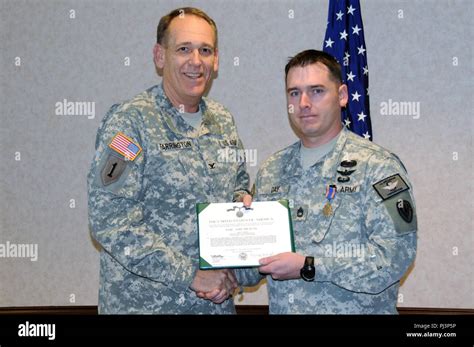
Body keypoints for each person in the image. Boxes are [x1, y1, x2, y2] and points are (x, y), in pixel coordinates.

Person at [87, 7, 251, 314]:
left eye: (205, 50)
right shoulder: (129, 123)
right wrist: (191, 275)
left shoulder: (223, 121)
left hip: (215, 307)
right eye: (183, 49)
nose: (196, 61)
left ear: (216, 61)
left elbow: (238, 187)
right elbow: (109, 220)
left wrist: (243, 210)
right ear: (160, 56)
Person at [248, 49, 417, 314]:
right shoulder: (272, 170)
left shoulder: (378, 167)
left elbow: (393, 260)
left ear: (341, 95)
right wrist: (223, 265)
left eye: (316, 91)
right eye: (294, 92)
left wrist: (309, 265)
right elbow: (256, 261)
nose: (304, 102)